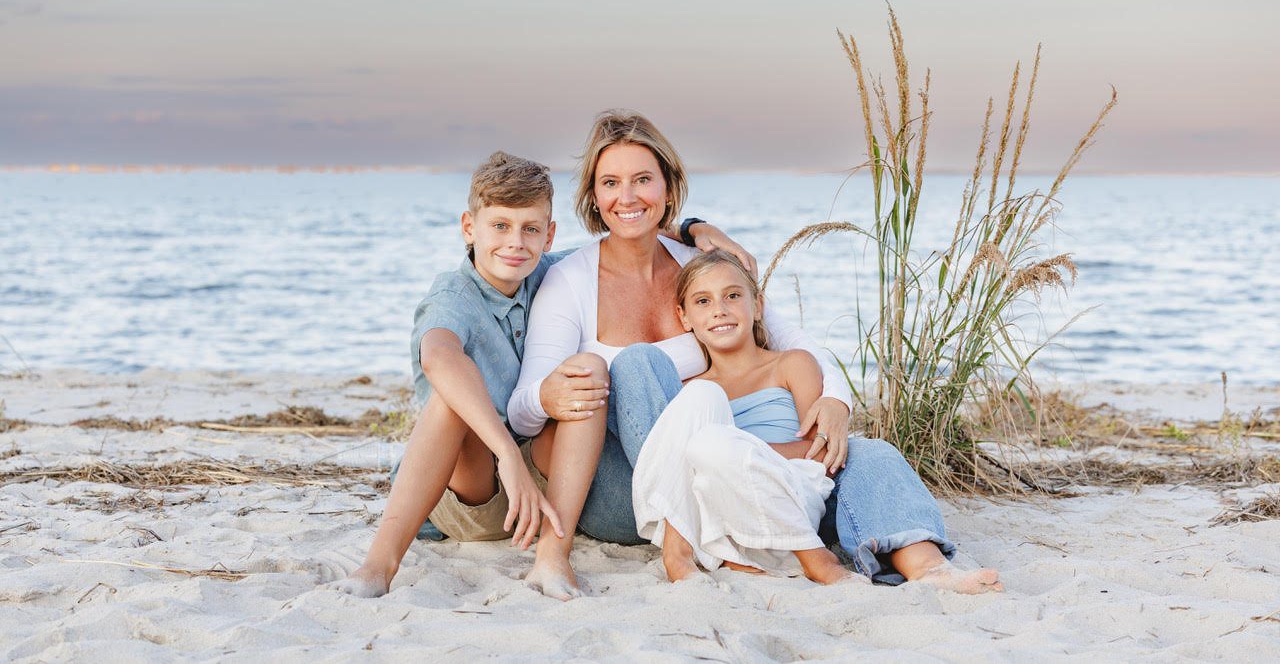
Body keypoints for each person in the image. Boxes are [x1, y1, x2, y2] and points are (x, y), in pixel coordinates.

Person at [509, 110, 1002, 592]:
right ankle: (737, 542)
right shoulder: (568, 280)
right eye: (611, 183)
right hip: (637, 490)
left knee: (870, 454)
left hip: (738, 470)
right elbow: (523, 412)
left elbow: (791, 341)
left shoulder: (704, 268)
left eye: (643, 179)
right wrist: (546, 399)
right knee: (641, 364)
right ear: (594, 196)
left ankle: (927, 567)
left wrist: (836, 400)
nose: (628, 196)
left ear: (667, 188)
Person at [330, 151, 749, 601]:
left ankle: (553, 557)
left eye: (530, 229)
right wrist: (507, 454)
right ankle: (378, 565)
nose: (515, 243)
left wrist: (693, 229)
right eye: (500, 226)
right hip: (471, 486)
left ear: (549, 235)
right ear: (469, 228)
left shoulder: (547, 271)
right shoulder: (453, 296)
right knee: (450, 397)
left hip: (536, 481)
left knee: (584, 372)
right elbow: (438, 358)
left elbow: (628, 231)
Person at [633, 250, 855, 584]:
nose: (719, 310)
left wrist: (744, 449)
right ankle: (678, 555)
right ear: (685, 318)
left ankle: (812, 556)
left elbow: (821, 454)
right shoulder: (690, 391)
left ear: (758, 306)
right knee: (704, 407)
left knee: (712, 445)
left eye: (733, 296)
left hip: (790, 496)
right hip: (722, 514)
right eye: (703, 301)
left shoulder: (791, 364)